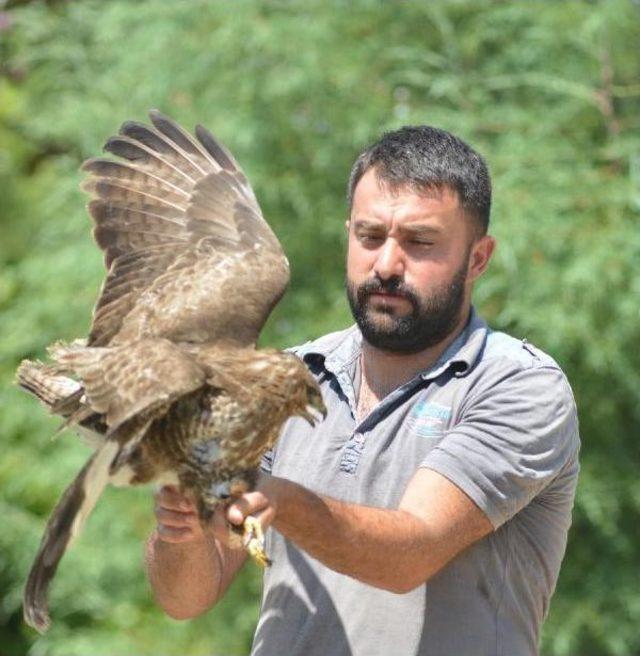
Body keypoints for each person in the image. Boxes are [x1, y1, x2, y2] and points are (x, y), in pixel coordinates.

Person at [145, 126, 580, 656]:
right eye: (370, 237)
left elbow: (409, 554)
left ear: (478, 258)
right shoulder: (286, 379)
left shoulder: (518, 387)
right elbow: (186, 598)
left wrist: (273, 497)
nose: (386, 265)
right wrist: (182, 528)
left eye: (420, 243)